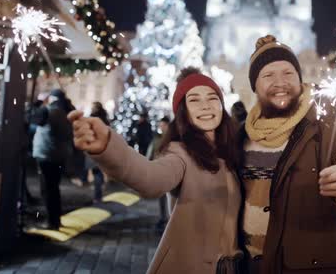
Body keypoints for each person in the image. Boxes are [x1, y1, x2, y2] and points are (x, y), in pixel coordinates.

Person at [240, 35, 336, 274]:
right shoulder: (242, 133)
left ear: (300, 79)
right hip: (248, 267)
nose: (280, 82)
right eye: (268, 75)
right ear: (255, 85)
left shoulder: (331, 123)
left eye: (288, 73)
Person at [69, 68, 244, 274]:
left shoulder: (234, 151)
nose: (205, 106)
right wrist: (108, 146)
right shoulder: (181, 154)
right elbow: (150, 178)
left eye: (212, 98)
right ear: (183, 112)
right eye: (194, 100)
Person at [32, 89, 74, 230]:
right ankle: (56, 220)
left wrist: (39, 104)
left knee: (47, 190)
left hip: (46, 155)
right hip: (59, 156)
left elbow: (33, 120)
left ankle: (51, 222)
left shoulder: (48, 111)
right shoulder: (66, 113)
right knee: (54, 188)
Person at [146, 116, 172, 229]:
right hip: (159, 171)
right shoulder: (156, 139)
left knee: (171, 197)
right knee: (162, 197)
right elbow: (150, 154)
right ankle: (163, 217)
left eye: (163, 125)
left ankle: (171, 218)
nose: (161, 127)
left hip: (170, 172)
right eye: (160, 125)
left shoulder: (173, 139)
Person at [86, 102, 110, 203]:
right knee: (98, 170)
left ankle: (97, 196)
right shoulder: (105, 119)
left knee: (96, 171)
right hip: (103, 147)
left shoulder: (92, 118)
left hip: (94, 146)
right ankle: (98, 193)